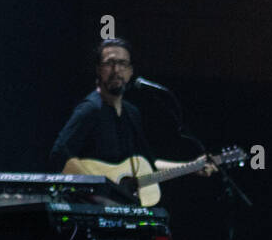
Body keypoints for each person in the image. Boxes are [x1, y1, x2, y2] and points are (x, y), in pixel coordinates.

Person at [50, 38, 213, 180]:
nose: (116, 70)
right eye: (109, 63)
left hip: (123, 205)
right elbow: (60, 154)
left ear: (130, 71)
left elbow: (150, 165)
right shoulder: (90, 109)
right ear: (98, 70)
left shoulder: (131, 113)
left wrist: (191, 167)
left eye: (122, 63)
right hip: (95, 205)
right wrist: (99, 188)